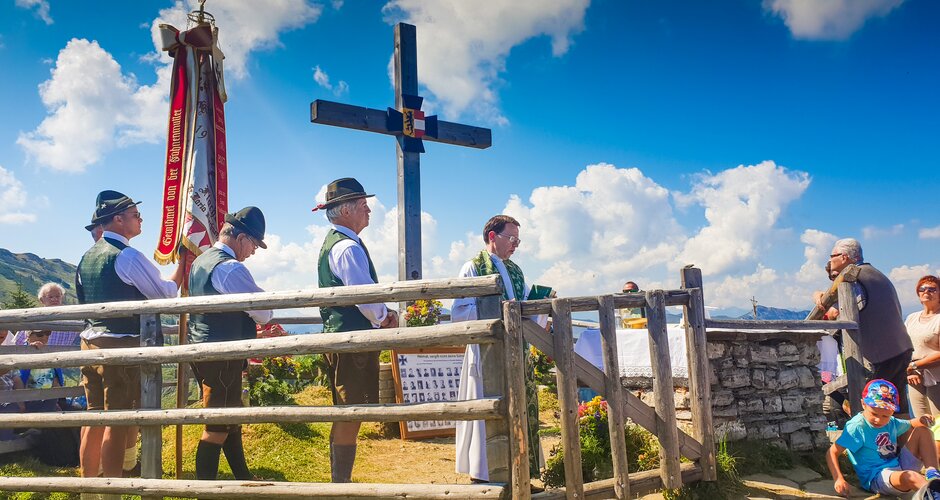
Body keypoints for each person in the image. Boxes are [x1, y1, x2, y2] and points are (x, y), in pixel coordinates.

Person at [75, 190, 183, 480]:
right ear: (119, 219)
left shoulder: (86, 258)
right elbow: (165, 294)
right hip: (120, 346)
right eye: (136, 215)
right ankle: (113, 486)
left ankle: (90, 486)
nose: (140, 220)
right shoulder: (128, 256)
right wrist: (183, 265)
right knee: (118, 420)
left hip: (90, 344)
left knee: (94, 415)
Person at [452, 214, 548, 485]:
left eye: (518, 240)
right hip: (487, 353)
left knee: (518, 409)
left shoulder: (516, 271)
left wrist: (540, 304)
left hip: (516, 352)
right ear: (492, 237)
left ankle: (521, 475)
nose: (515, 244)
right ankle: (484, 475)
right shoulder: (472, 267)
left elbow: (526, 306)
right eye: (511, 238)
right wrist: (503, 312)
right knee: (489, 410)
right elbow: (460, 313)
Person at [313, 178, 398, 483]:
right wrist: (384, 316)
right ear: (346, 211)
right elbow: (363, 295)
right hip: (353, 341)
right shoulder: (347, 247)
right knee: (352, 410)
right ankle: (340, 482)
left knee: (348, 410)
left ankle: (340, 480)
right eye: (363, 205)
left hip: (343, 338)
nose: (369, 210)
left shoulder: (337, 242)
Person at [188, 206, 273, 480]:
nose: (253, 252)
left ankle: (243, 479)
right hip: (222, 353)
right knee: (218, 425)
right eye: (254, 245)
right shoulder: (230, 268)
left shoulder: (201, 262)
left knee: (228, 419)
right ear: (241, 238)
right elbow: (263, 311)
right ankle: (205, 492)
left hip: (204, 349)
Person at [813, 238, 913, 415]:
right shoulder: (875, 274)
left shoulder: (854, 277)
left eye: (832, 256)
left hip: (883, 355)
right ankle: (902, 441)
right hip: (900, 348)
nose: (830, 261)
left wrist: (821, 299)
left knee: (876, 407)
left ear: (844, 257)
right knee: (896, 405)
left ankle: (879, 442)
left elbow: (839, 312)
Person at [827, 379, 940, 496]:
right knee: (912, 477)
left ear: (892, 412)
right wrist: (838, 478)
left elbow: (911, 423)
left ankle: (933, 474)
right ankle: (935, 493)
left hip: (898, 466)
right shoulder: (857, 427)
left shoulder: (890, 422)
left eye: (885, 416)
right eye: (874, 414)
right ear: (863, 404)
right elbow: (832, 452)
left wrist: (922, 420)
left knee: (923, 431)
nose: (879, 420)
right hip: (877, 477)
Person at [904, 276, 940, 418]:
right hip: (915, 376)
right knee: (921, 422)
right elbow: (904, 346)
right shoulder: (911, 317)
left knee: (938, 424)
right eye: (922, 289)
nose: (926, 292)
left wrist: (913, 365)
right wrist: (910, 370)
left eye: (932, 289)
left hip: (937, 377)